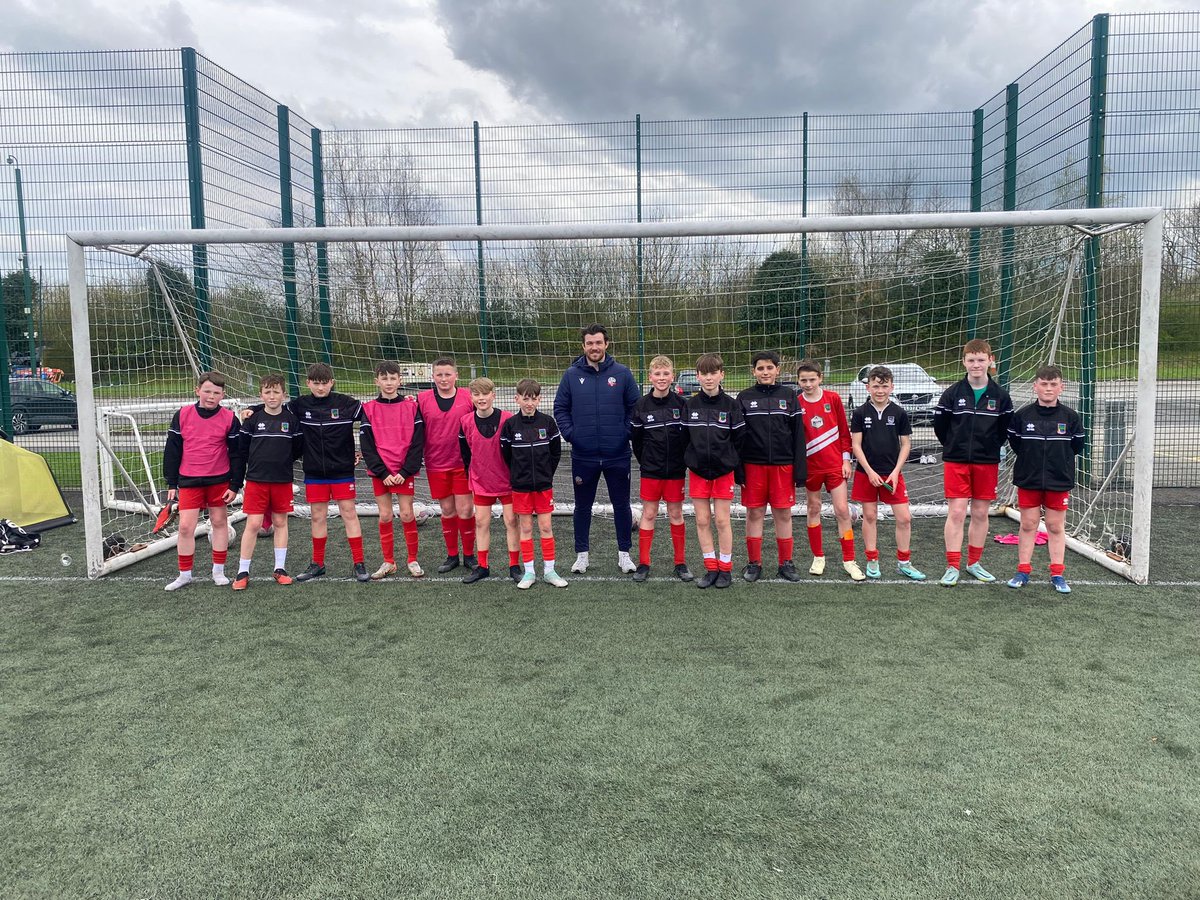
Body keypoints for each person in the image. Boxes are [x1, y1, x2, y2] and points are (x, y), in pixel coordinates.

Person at [553, 324, 640, 575]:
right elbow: (560, 408)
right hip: (583, 454)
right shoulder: (571, 375)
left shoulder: (622, 374)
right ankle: (582, 556)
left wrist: (624, 435)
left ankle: (624, 555)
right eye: (590, 343)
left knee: (621, 505)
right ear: (583, 346)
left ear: (606, 344)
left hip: (617, 454)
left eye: (598, 342)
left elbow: (635, 408)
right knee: (582, 506)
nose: (594, 347)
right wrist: (572, 435)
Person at [932, 338, 1014, 587]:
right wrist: (954, 446)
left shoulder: (1001, 397)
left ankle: (974, 563)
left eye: (981, 360)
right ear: (964, 362)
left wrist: (989, 448)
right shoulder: (952, 394)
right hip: (956, 461)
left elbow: (1004, 430)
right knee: (957, 512)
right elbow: (941, 428)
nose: (976, 364)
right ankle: (952, 566)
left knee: (980, 512)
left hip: (986, 462)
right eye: (971, 360)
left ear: (991, 361)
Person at [1005, 364, 1084, 594]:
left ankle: (1057, 573)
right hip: (1028, 479)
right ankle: (1023, 570)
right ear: (1035, 386)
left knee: (1054, 526)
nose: (1048, 388)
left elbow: (1076, 446)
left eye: (1053, 384)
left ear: (1062, 387)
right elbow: (1016, 445)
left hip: (1058, 480)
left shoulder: (1070, 417)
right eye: (1044, 384)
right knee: (1028, 524)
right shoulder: (1022, 416)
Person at [161, 370, 243, 591]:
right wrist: (171, 482)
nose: (211, 396)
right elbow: (172, 450)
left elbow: (237, 454)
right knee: (186, 527)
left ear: (222, 395)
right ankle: (184, 575)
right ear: (197, 391)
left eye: (216, 392)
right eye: (207, 391)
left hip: (219, 480)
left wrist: (235, 484)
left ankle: (218, 571)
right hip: (189, 479)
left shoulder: (229, 418)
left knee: (219, 522)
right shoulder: (183, 415)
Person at [288, 362, 370, 583]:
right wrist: (254, 409)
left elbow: (374, 413)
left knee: (349, 513)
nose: (320, 387)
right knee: (317, 516)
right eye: (316, 383)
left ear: (332, 383)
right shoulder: (299, 405)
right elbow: (273, 407)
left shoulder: (346, 404)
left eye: (324, 383)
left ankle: (359, 562)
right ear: (308, 383)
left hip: (342, 470)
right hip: (314, 472)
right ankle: (317, 563)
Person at [849, 365, 925, 581]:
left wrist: (895, 471)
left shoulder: (899, 413)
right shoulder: (860, 413)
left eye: (884, 386)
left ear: (891, 387)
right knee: (870, 516)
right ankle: (872, 560)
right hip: (867, 474)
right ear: (868, 388)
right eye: (875, 386)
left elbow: (906, 445)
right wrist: (870, 471)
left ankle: (904, 563)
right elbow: (856, 445)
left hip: (892, 475)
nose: (879, 390)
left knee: (904, 518)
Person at [736, 350, 806, 583]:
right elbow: (738, 437)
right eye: (760, 368)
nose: (765, 372)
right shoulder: (744, 397)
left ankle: (785, 563)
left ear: (777, 369)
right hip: (753, 466)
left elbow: (798, 435)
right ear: (753, 371)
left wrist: (800, 469)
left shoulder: (789, 395)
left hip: (783, 466)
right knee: (754, 513)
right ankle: (754, 563)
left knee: (783, 514)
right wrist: (739, 468)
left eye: (769, 368)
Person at [232, 374, 303, 590]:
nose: (272, 396)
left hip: (282, 480)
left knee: (280, 523)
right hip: (256, 480)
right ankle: (242, 572)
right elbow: (242, 450)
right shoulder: (252, 419)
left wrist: (281, 462)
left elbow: (297, 449)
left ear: (284, 394)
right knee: (253, 524)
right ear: (261, 394)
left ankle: (279, 569)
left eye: (276, 392)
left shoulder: (292, 421)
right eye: (267, 392)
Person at [796, 360, 864, 581]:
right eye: (803, 380)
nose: (808, 384)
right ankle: (818, 557)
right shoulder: (797, 403)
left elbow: (845, 432)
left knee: (842, 510)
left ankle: (849, 560)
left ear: (820, 378)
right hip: (811, 468)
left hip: (835, 465)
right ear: (798, 381)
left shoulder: (833, 399)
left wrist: (846, 460)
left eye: (812, 380)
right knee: (813, 508)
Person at [683, 353, 745, 589]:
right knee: (701, 520)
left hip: (723, 472)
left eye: (713, 373)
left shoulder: (731, 405)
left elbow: (739, 440)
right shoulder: (690, 405)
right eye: (704, 373)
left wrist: (731, 464)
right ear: (697, 376)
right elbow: (684, 439)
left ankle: (725, 568)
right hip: (698, 472)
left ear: (722, 374)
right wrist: (692, 461)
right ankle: (710, 568)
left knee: (721, 520)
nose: (709, 378)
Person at [629, 355, 693, 583]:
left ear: (672, 376)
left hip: (675, 471)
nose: (662, 378)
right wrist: (647, 461)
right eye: (657, 374)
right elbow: (636, 440)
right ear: (650, 377)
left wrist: (682, 462)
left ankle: (680, 563)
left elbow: (687, 438)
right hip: (651, 471)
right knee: (649, 514)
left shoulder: (682, 404)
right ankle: (644, 563)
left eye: (666, 373)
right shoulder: (641, 405)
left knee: (676, 514)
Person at [361, 361, 426, 580]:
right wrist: (382, 472)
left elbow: (418, 442)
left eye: (393, 378)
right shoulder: (369, 409)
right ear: (376, 381)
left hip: (403, 471)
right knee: (386, 515)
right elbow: (367, 445)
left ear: (400, 380)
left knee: (407, 513)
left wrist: (406, 470)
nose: (389, 383)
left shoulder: (411, 407)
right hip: (382, 473)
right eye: (384, 378)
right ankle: (389, 561)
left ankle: (412, 559)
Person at [502, 379, 567, 589]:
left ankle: (550, 571)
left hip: (543, 486)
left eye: (533, 398)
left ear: (539, 399)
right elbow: (506, 455)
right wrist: (518, 475)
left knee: (546, 526)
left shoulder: (548, 423)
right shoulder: (510, 425)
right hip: (520, 487)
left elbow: (556, 453)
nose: (529, 402)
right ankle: (529, 572)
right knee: (526, 528)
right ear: (517, 399)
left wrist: (545, 474)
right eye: (525, 398)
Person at [458, 377, 521, 585]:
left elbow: (515, 452)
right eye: (476, 394)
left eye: (485, 394)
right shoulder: (465, 421)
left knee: (511, 522)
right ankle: (483, 566)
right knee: (481, 522)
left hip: (506, 481)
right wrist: (474, 473)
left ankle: (514, 566)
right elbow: (466, 453)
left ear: (493, 395)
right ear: (471, 397)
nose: (481, 398)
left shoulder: (508, 419)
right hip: (481, 481)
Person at [417, 357, 477, 574]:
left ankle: (469, 555)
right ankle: (452, 555)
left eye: (448, 374)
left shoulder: (468, 398)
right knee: (447, 510)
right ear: (433, 376)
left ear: (456, 376)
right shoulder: (421, 399)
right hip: (436, 463)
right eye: (439, 375)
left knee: (466, 510)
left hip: (462, 464)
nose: (444, 379)